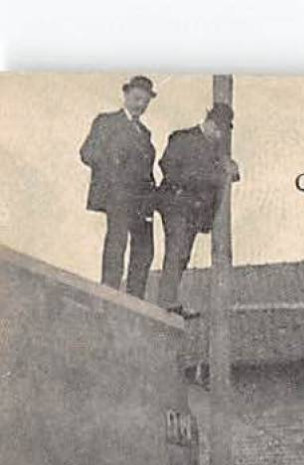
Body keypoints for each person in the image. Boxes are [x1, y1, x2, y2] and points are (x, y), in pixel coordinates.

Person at [154, 102, 239, 312]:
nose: (219, 136)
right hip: (176, 204)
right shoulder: (182, 138)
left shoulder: (216, 150)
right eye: (218, 130)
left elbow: (228, 174)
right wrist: (212, 175)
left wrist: (231, 170)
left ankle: (170, 299)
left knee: (183, 253)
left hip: (194, 211)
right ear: (209, 123)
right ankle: (166, 300)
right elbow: (168, 166)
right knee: (176, 249)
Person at [79, 76, 157, 298]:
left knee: (145, 248)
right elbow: (87, 152)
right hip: (118, 194)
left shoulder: (145, 133)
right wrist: (113, 169)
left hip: (141, 199)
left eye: (145, 101)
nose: (141, 104)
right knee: (117, 241)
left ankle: (135, 298)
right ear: (126, 95)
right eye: (137, 98)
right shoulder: (107, 122)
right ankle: (110, 292)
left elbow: (146, 169)